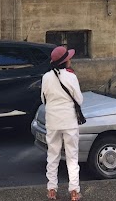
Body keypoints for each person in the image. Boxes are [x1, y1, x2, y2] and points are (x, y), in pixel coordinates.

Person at [41, 45, 83, 201]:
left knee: (53, 156)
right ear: (65, 61)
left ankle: (51, 189)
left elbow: (43, 99)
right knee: (72, 157)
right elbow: (79, 99)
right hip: (69, 121)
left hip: (52, 121)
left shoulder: (46, 77)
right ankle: (74, 191)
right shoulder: (71, 77)